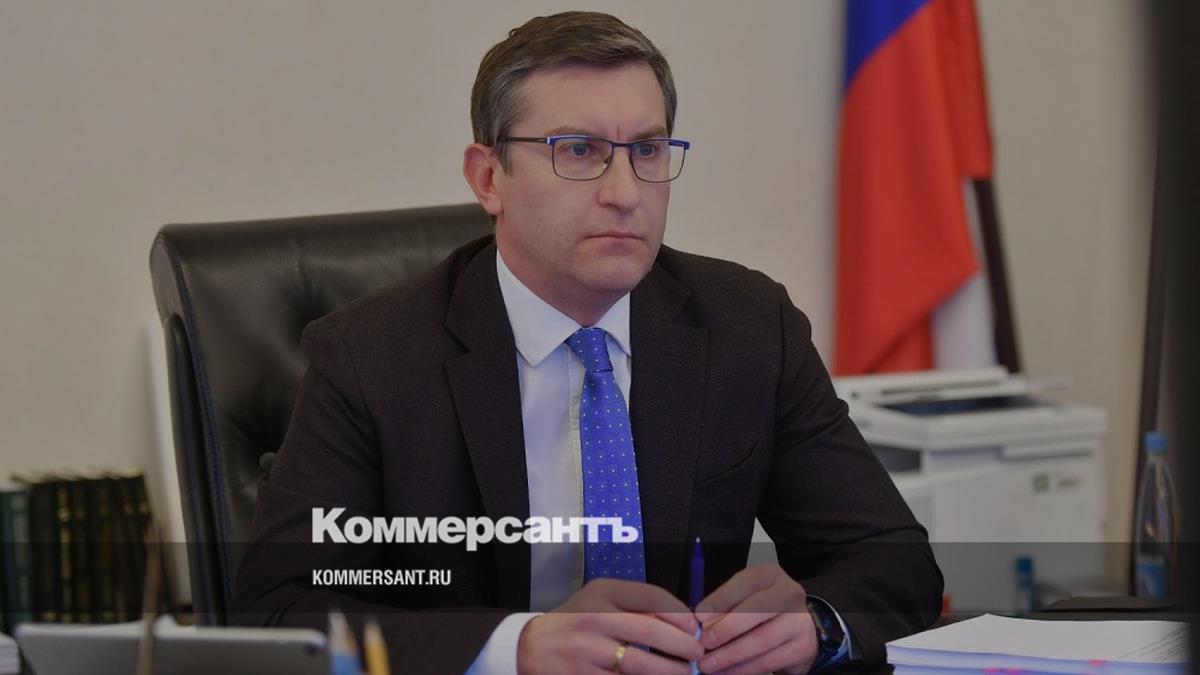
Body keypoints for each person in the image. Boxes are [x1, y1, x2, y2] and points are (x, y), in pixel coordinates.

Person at [233, 11, 942, 674]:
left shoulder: (748, 326)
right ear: (488, 178)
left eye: (647, 150)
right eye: (578, 150)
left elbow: (892, 556)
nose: (625, 192)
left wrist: (816, 624)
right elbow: (277, 610)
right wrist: (518, 647)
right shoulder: (370, 356)